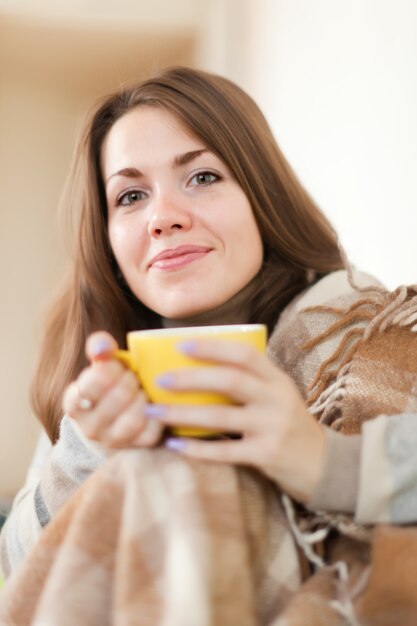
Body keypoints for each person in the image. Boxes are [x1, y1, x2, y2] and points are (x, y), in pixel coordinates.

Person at [1, 67, 417, 624]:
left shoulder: (374, 333)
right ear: (106, 241)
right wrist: (90, 451)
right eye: (130, 195)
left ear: (261, 196)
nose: (163, 218)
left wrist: (324, 463)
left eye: (200, 178)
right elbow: (22, 577)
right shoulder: (94, 378)